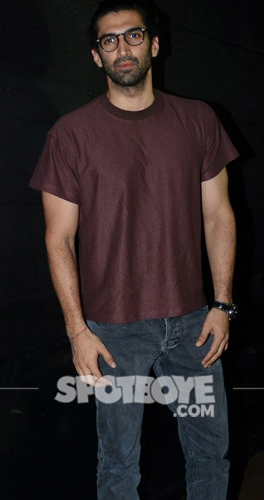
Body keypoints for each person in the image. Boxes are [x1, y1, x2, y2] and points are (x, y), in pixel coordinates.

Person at [29, 0, 237, 498]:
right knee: (118, 468)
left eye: (133, 36)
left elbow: (219, 215)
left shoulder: (198, 119)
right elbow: (58, 238)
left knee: (211, 454)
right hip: (113, 332)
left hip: (193, 324)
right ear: (96, 57)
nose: (123, 47)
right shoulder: (71, 134)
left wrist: (223, 304)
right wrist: (77, 331)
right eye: (109, 40)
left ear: (155, 44)